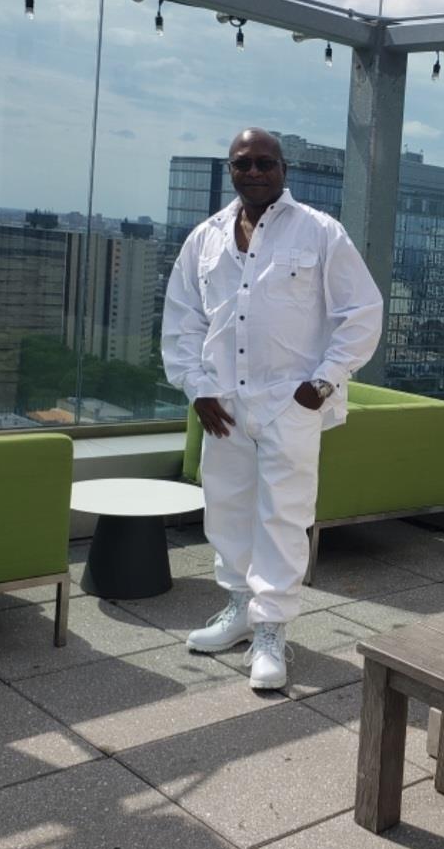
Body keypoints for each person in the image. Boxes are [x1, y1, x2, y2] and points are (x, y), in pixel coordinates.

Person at [161, 127, 383, 689]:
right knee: (227, 508)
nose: (254, 172)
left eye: (265, 163)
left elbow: (363, 310)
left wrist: (324, 383)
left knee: (283, 516)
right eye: (243, 164)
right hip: (222, 402)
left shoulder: (319, 232)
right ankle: (239, 609)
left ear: (284, 169)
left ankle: (271, 632)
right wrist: (196, 388)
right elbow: (182, 319)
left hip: (290, 401)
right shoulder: (205, 238)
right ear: (230, 170)